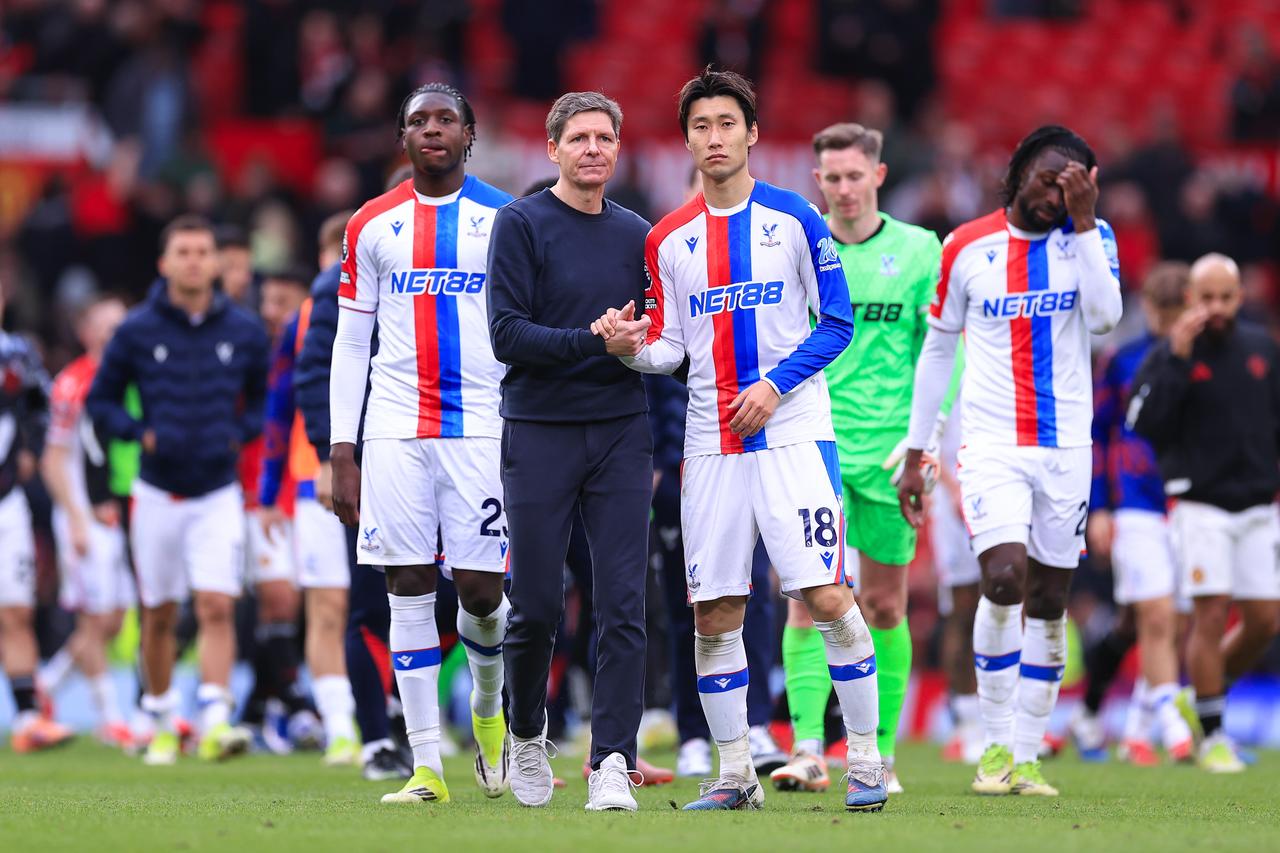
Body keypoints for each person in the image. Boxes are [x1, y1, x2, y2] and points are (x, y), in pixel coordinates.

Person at [595, 68, 886, 813]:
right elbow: (671, 346)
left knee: (826, 594)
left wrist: (775, 385)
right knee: (714, 611)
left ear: (752, 133)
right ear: (687, 140)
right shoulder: (667, 238)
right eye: (701, 126)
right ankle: (734, 775)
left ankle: (865, 760)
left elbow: (838, 322)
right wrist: (629, 348)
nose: (714, 137)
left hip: (794, 437)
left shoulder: (795, 218)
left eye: (727, 123)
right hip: (710, 446)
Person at [898, 125, 1123, 797]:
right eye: (1049, 179)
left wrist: (1085, 224)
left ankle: (1027, 755)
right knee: (1001, 579)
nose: (1057, 194)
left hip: (1067, 447)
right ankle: (993, 745)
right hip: (992, 444)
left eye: (1072, 185)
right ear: (1020, 171)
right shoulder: (966, 246)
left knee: (1050, 599)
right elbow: (939, 349)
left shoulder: (1092, 239)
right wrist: (918, 449)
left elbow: (1106, 319)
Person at [330, 83, 515, 805]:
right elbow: (352, 342)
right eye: (417, 120)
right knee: (406, 586)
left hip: (482, 427)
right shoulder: (371, 224)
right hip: (395, 428)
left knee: (481, 592)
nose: (431, 129)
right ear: (401, 137)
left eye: (445, 119)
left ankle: (489, 707)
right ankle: (427, 764)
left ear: (470, 134)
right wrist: (342, 448)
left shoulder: (506, 219)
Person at [771, 121, 956, 796]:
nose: (845, 189)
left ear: (878, 175)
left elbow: (941, 351)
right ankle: (807, 749)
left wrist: (926, 440)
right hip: (812, 442)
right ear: (816, 181)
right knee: (807, 600)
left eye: (856, 176)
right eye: (833, 178)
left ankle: (877, 753)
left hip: (889, 454)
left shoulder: (920, 249)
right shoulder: (799, 245)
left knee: (883, 605)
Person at [487, 91, 652, 812]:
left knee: (623, 602)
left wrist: (637, 343)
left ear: (618, 148)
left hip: (620, 429)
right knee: (534, 603)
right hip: (540, 428)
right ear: (552, 149)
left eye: (604, 138)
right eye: (579, 138)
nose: (592, 149)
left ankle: (612, 760)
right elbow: (507, 335)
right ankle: (526, 733)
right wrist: (594, 341)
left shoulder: (638, 233)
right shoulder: (521, 223)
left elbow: (657, 334)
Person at [87, 214, 270, 765]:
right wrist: (138, 433)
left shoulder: (244, 331)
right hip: (157, 494)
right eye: (183, 252)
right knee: (159, 613)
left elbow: (263, 402)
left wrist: (238, 434)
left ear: (216, 262)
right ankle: (163, 719)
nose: (193, 261)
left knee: (217, 604)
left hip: (217, 492)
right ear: (164, 263)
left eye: (202, 252)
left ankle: (214, 719)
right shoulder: (137, 330)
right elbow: (101, 401)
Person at [1130, 252, 1280, 774]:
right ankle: (1214, 733)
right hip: (1200, 504)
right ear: (1192, 297)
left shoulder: (1261, 348)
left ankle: (1202, 700)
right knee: (1211, 613)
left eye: (1225, 297)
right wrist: (1176, 359)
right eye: (1207, 297)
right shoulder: (1170, 353)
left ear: (1240, 298)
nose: (1215, 307)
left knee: (1265, 621)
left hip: (1258, 504)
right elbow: (1143, 423)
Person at [1078, 261, 1195, 766]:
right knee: (1156, 615)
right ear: (1146, 306)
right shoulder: (1122, 361)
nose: (1167, 322)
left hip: (1190, 500)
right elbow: (1098, 434)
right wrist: (1100, 506)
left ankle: (1124, 726)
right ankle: (1170, 726)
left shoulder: (1206, 359)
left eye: (1176, 311)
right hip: (1135, 499)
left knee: (1148, 621)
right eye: (1160, 310)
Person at [258, 240, 360, 767]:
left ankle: (386, 715)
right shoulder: (304, 319)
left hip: (390, 470)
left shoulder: (400, 299)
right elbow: (280, 406)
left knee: (390, 604)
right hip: (313, 481)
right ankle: (341, 727)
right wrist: (268, 494)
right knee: (328, 606)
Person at [39, 295, 134, 748]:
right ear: (87, 333)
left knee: (112, 621)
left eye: (120, 326)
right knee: (93, 620)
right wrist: (76, 518)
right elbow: (53, 459)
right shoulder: (72, 383)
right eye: (105, 327)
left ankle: (47, 684)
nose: (114, 335)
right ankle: (109, 717)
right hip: (82, 516)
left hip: (117, 513)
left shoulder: (130, 378)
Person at [244, 266, 316, 752]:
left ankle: (258, 706)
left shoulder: (318, 349)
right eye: (266, 302)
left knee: (310, 602)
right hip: (255, 493)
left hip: (308, 489)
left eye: (282, 303)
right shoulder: (249, 351)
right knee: (278, 598)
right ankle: (295, 702)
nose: (272, 313)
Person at [0, 291, 71, 753]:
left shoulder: (16, 353)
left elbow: (43, 404)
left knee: (16, 610)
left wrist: (31, 447)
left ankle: (28, 718)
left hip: (6, 503)